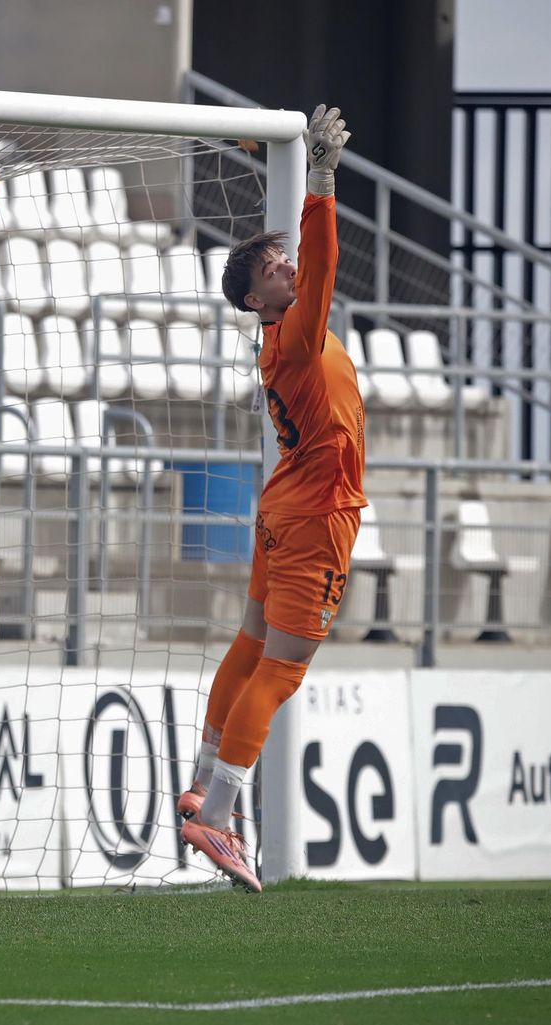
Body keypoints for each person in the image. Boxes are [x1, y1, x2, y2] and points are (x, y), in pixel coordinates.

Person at [177, 105, 364, 893]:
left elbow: (309, 265)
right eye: (272, 271)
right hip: (318, 516)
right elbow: (324, 264)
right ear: (258, 302)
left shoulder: (278, 343)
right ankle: (217, 816)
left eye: (285, 261)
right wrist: (320, 178)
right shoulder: (290, 332)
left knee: (254, 643)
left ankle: (198, 777)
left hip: (284, 507)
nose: (287, 269)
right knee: (283, 670)